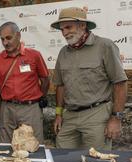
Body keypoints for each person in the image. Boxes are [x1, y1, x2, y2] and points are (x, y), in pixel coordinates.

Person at [51, 7, 128, 150]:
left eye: (68, 27)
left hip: (97, 116)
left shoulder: (105, 46)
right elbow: (60, 86)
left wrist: (116, 118)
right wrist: (58, 114)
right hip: (69, 117)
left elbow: (120, 83)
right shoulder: (63, 52)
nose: (64, 33)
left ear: (82, 25)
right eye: (62, 29)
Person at [0, 21, 50, 144]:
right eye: (2, 39)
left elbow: (45, 80)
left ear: (18, 35)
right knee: (5, 146)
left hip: (30, 109)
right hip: (7, 109)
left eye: (8, 38)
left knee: (33, 146)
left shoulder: (34, 56)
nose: (5, 42)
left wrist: (39, 98)